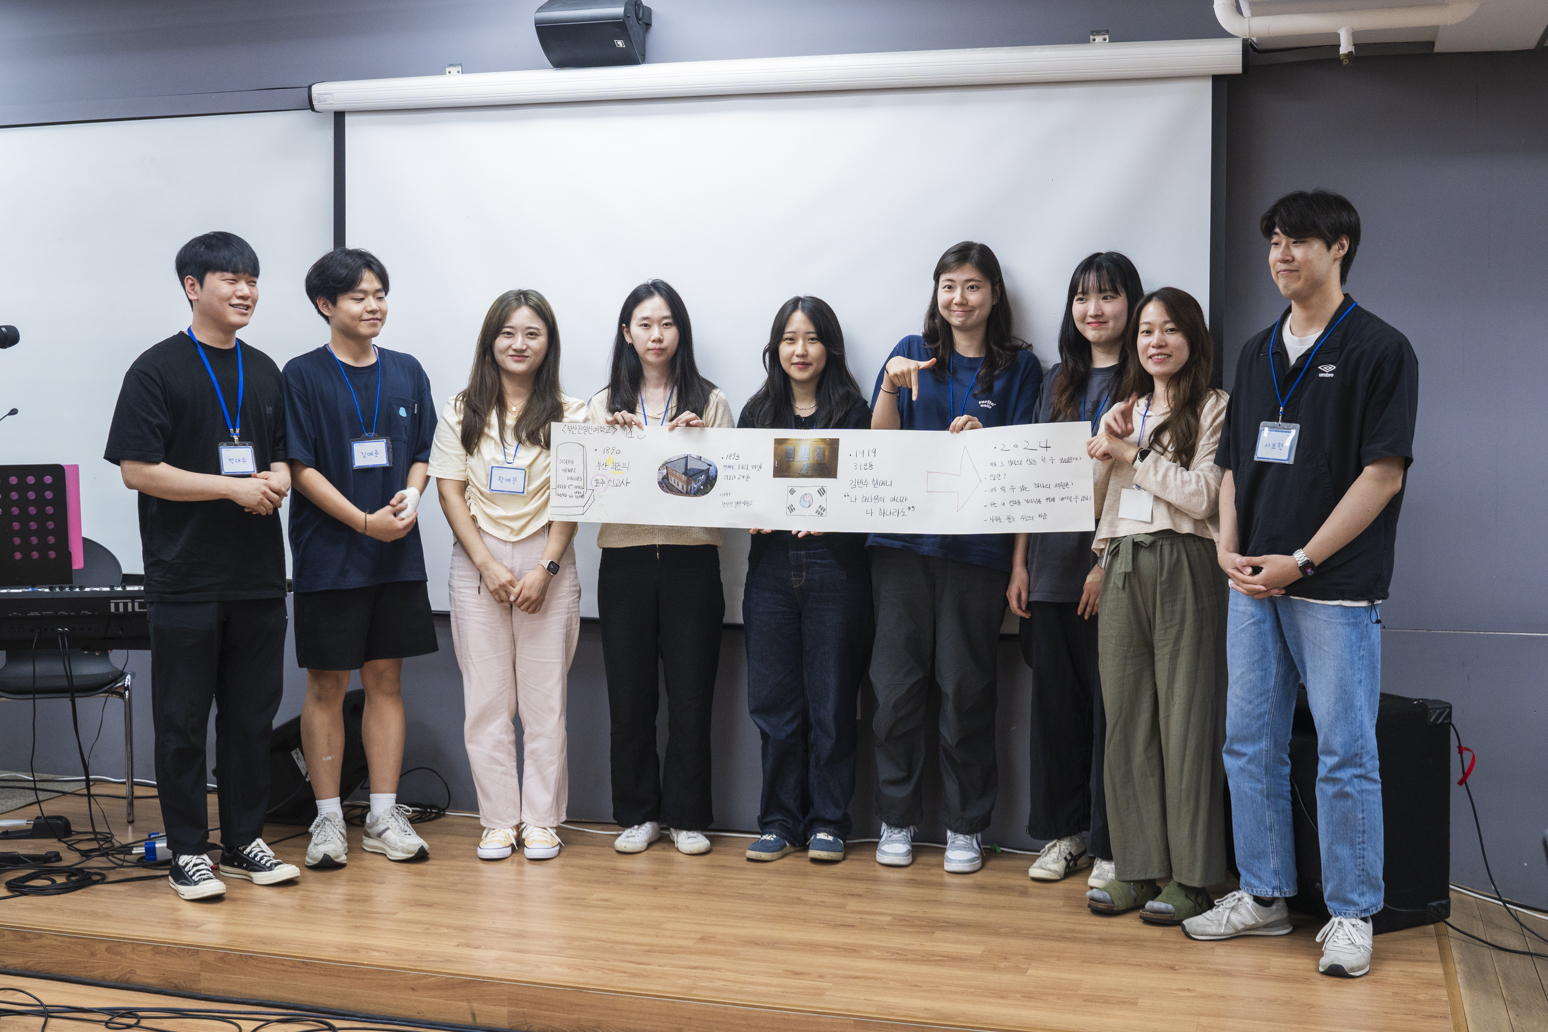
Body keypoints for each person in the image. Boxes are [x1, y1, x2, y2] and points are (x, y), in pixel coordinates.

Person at [1184, 190, 1417, 980]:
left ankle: (1352, 913)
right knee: (1248, 743)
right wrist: (1228, 544)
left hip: (1333, 586)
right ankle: (1264, 895)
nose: (1281, 255)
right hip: (1252, 584)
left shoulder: (1382, 349)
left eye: (1299, 241)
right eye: (1275, 241)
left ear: (1339, 247)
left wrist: (1304, 560)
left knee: (1344, 752)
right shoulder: (1256, 351)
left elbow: (1382, 476)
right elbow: (1231, 468)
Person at [104, 231, 301, 900]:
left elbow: (281, 455)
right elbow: (137, 470)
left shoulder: (265, 369)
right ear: (193, 287)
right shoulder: (156, 369)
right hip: (184, 578)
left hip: (257, 578)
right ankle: (188, 851)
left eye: (252, 279)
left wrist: (276, 478)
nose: (246, 291)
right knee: (183, 724)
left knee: (250, 720)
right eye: (231, 279)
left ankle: (244, 840)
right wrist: (231, 488)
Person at [868, 241, 1042, 875]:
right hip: (900, 550)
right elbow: (878, 451)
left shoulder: (1021, 368)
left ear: (994, 294)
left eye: (972, 286)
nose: (959, 298)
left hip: (978, 553)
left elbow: (1028, 472)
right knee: (895, 691)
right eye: (948, 285)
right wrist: (889, 388)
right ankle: (896, 818)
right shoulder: (910, 354)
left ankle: (966, 826)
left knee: (966, 690)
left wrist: (1019, 562)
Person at [284, 247, 439, 868]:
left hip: (394, 555)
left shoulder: (407, 370)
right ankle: (327, 819)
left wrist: (414, 494)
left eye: (380, 294)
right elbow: (299, 467)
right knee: (327, 684)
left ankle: (382, 814)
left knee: (385, 680)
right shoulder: (302, 374)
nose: (373, 306)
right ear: (326, 305)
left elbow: (424, 451)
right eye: (358, 296)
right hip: (330, 555)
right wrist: (362, 522)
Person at [1082, 287, 1229, 925]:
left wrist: (1132, 455)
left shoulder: (1215, 406)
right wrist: (1105, 441)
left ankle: (1194, 878)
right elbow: (1092, 504)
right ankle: (1138, 869)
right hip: (1121, 560)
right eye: (1146, 331)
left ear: (1192, 338)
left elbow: (1202, 496)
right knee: (1127, 723)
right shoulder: (1124, 410)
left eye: (1169, 329)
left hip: (1186, 561)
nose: (1156, 341)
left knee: (1186, 721)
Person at [429, 289, 585, 862]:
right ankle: (498, 821)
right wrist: (487, 565)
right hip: (479, 561)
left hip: (549, 557)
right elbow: (449, 491)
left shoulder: (572, 412)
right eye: (508, 333)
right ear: (490, 341)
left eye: (532, 333)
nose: (519, 344)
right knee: (487, 703)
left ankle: (541, 821)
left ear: (549, 343)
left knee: (545, 704)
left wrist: (547, 567)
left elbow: (573, 495)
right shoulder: (461, 408)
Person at [1007, 251, 1143, 888]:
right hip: (1049, 571)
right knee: (1055, 715)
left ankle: (1113, 844)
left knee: (1114, 714)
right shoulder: (1055, 380)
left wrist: (1104, 563)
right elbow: (1032, 478)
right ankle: (1067, 835)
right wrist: (1020, 563)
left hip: (1112, 573)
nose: (1094, 310)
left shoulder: (1147, 381)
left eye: (1108, 296)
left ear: (1131, 304)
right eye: (1083, 298)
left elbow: (1136, 484)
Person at [587, 279, 735, 857]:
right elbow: (588, 489)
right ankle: (637, 813)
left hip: (691, 559)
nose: (657, 335)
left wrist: (705, 446)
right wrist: (609, 446)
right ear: (627, 334)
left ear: (681, 331)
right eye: (645, 325)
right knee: (629, 697)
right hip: (624, 561)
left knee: (692, 696)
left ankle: (688, 816)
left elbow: (733, 491)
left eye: (667, 324)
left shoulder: (712, 401)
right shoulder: (602, 404)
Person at [738, 297, 873, 864]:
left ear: (830, 347)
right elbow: (737, 488)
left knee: (832, 703)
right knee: (774, 705)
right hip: (770, 569)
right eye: (790, 339)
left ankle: (829, 823)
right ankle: (778, 822)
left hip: (835, 568)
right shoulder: (755, 413)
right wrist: (745, 509)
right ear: (776, 348)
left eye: (812, 338)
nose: (800, 350)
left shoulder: (855, 412)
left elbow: (869, 495)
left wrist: (834, 519)